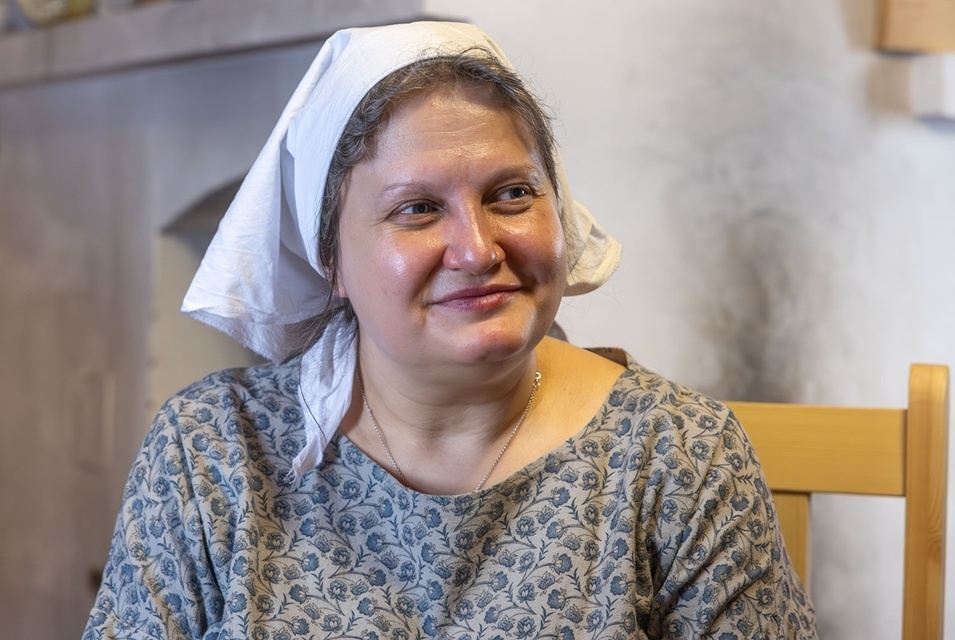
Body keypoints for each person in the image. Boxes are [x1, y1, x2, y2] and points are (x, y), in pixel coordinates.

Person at [84, 21, 817, 640]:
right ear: (331, 259)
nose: (477, 249)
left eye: (512, 194)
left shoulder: (677, 455)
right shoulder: (212, 452)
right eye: (418, 209)